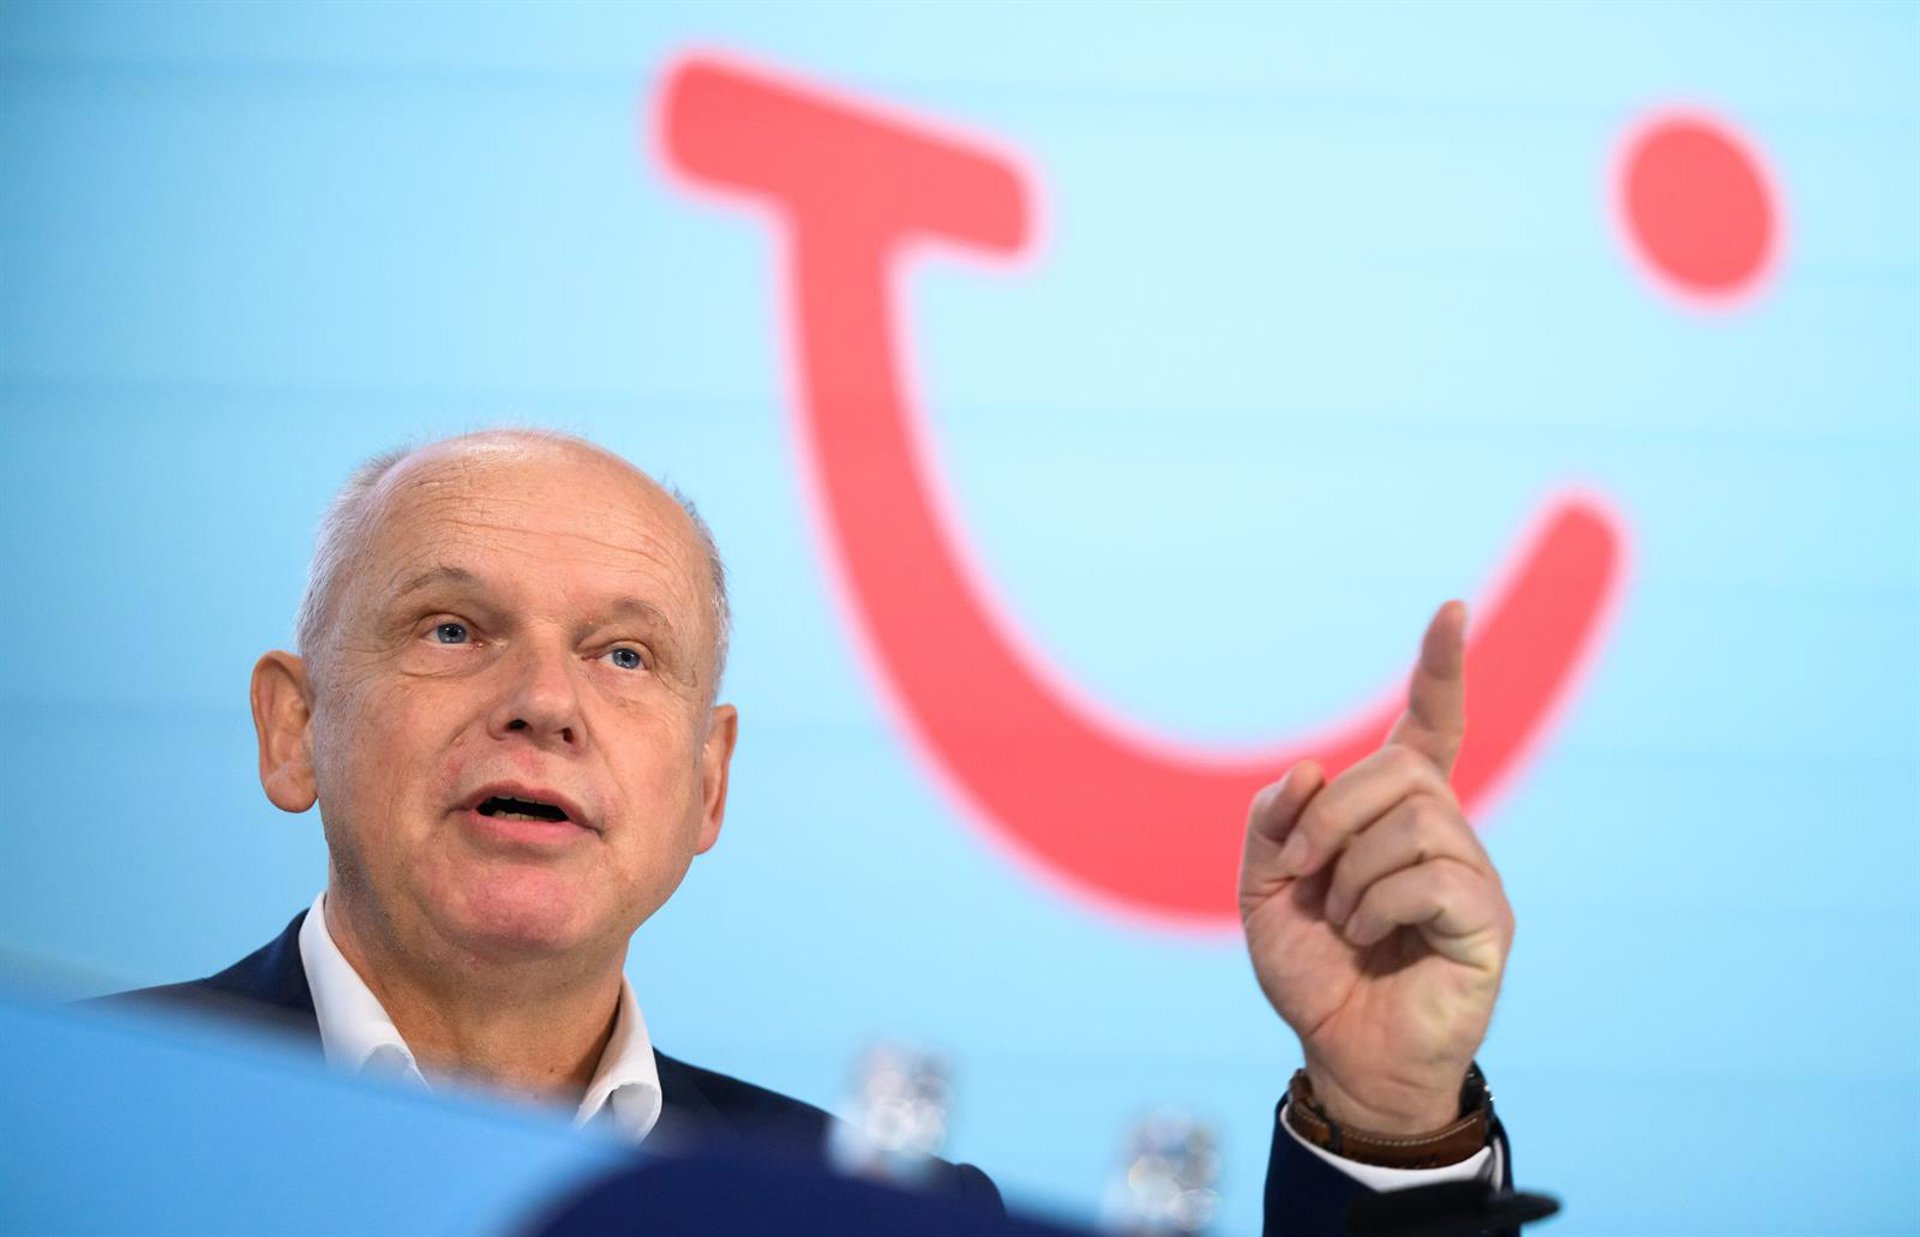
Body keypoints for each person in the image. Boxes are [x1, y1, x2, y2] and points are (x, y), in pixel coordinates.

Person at [115, 429, 1517, 1231]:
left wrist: (1389, 1117)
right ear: (292, 728)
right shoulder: (64, 1124)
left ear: (708, 785)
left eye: (624, 656)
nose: (544, 701)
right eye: (452, 628)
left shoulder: (890, 1224)